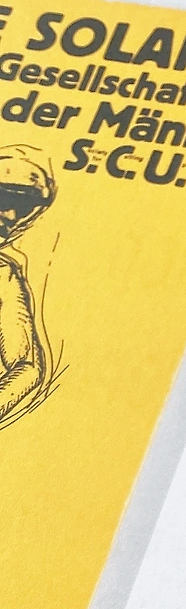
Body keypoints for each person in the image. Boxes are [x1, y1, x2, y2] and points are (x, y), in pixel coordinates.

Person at [0, 146, 55, 432]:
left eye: (22, 207)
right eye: (4, 198)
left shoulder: (4, 274)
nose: (10, 215)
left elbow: (27, 367)